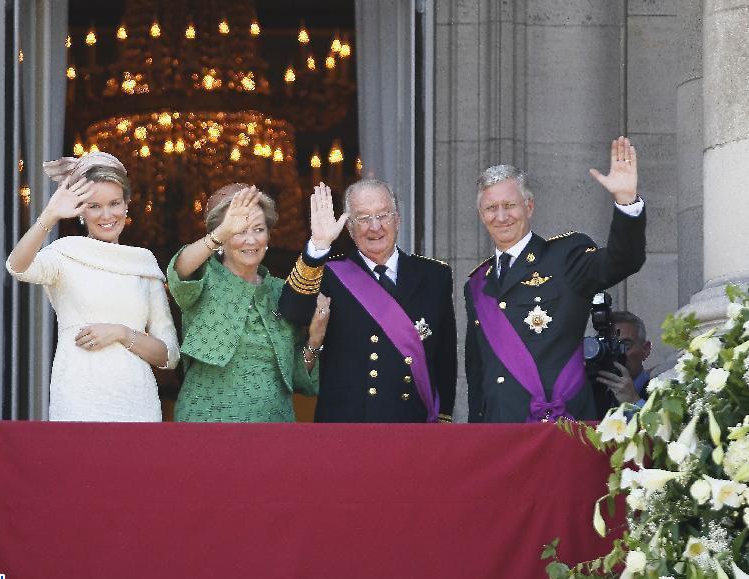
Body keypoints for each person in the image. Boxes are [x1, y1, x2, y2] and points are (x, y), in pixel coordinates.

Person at [465, 136, 647, 423]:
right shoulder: (477, 283)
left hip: (559, 424)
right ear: (481, 214)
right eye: (491, 208)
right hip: (499, 432)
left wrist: (626, 202)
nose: (501, 217)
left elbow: (622, 261)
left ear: (530, 206)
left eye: (510, 205)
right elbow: (479, 373)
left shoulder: (564, 257)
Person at [6, 151, 179, 421]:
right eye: (94, 206)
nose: (107, 215)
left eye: (114, 203)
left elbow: (169, 356)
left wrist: (122, 333)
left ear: (127, 205)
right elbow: (17, 267)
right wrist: (49, 216)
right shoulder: (65, 253)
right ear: (80, 210)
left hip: (137, 405)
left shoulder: (143, 262)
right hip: (77, 401)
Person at [278, 179, 457, 423]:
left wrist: (443, 417)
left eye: (383, 215)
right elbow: (291, 311)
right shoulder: (329, 274)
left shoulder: (434, 276)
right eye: (363, 218)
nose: (375, 227)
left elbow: (445, 357)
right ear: (349, 228)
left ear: (397, 219)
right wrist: (319, 246)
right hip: (348, 426)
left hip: (413, 424)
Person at [167, 184, 325, 422]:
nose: (250, 239)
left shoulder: (283, 290)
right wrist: (222, 231)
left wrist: (314, 340)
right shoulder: (204, 277)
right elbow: (179, 270)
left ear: (268, 236)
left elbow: (298, 377)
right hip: (206, 424)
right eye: (239, 230)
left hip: (273, 427)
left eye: (259, 229)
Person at [594, 310, 653, 417]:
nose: (615, 354)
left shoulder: (662, 391)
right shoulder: (594, 394)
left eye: (625, 345)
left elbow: (664, 432)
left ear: (645, 349)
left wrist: (633, 401)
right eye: (609, 347)